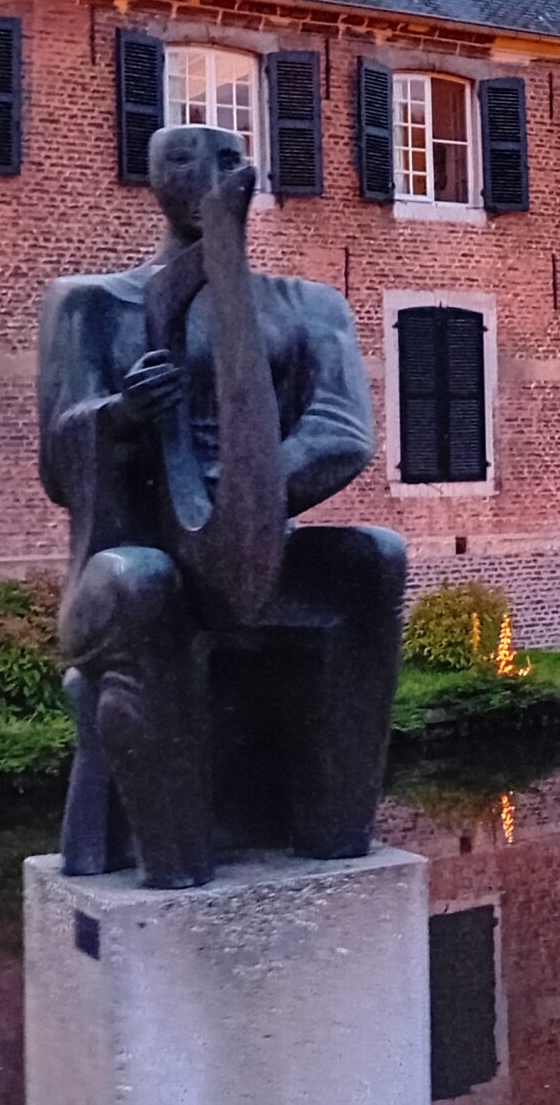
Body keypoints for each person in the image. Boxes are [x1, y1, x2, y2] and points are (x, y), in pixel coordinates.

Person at [38, 122, 405, 887]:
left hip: (252, 543)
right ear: (154, 177)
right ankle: (175, 865)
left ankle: (334, 828)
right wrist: (122, 416)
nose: (219, 170)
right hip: (126, 559)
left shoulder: (307, 307)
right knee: (145, 582)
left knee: (372, 559)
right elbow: (58, 457)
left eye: (234, 157)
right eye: (189, 156)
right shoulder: (90, 306)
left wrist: (246, 498)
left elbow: (341, 429)